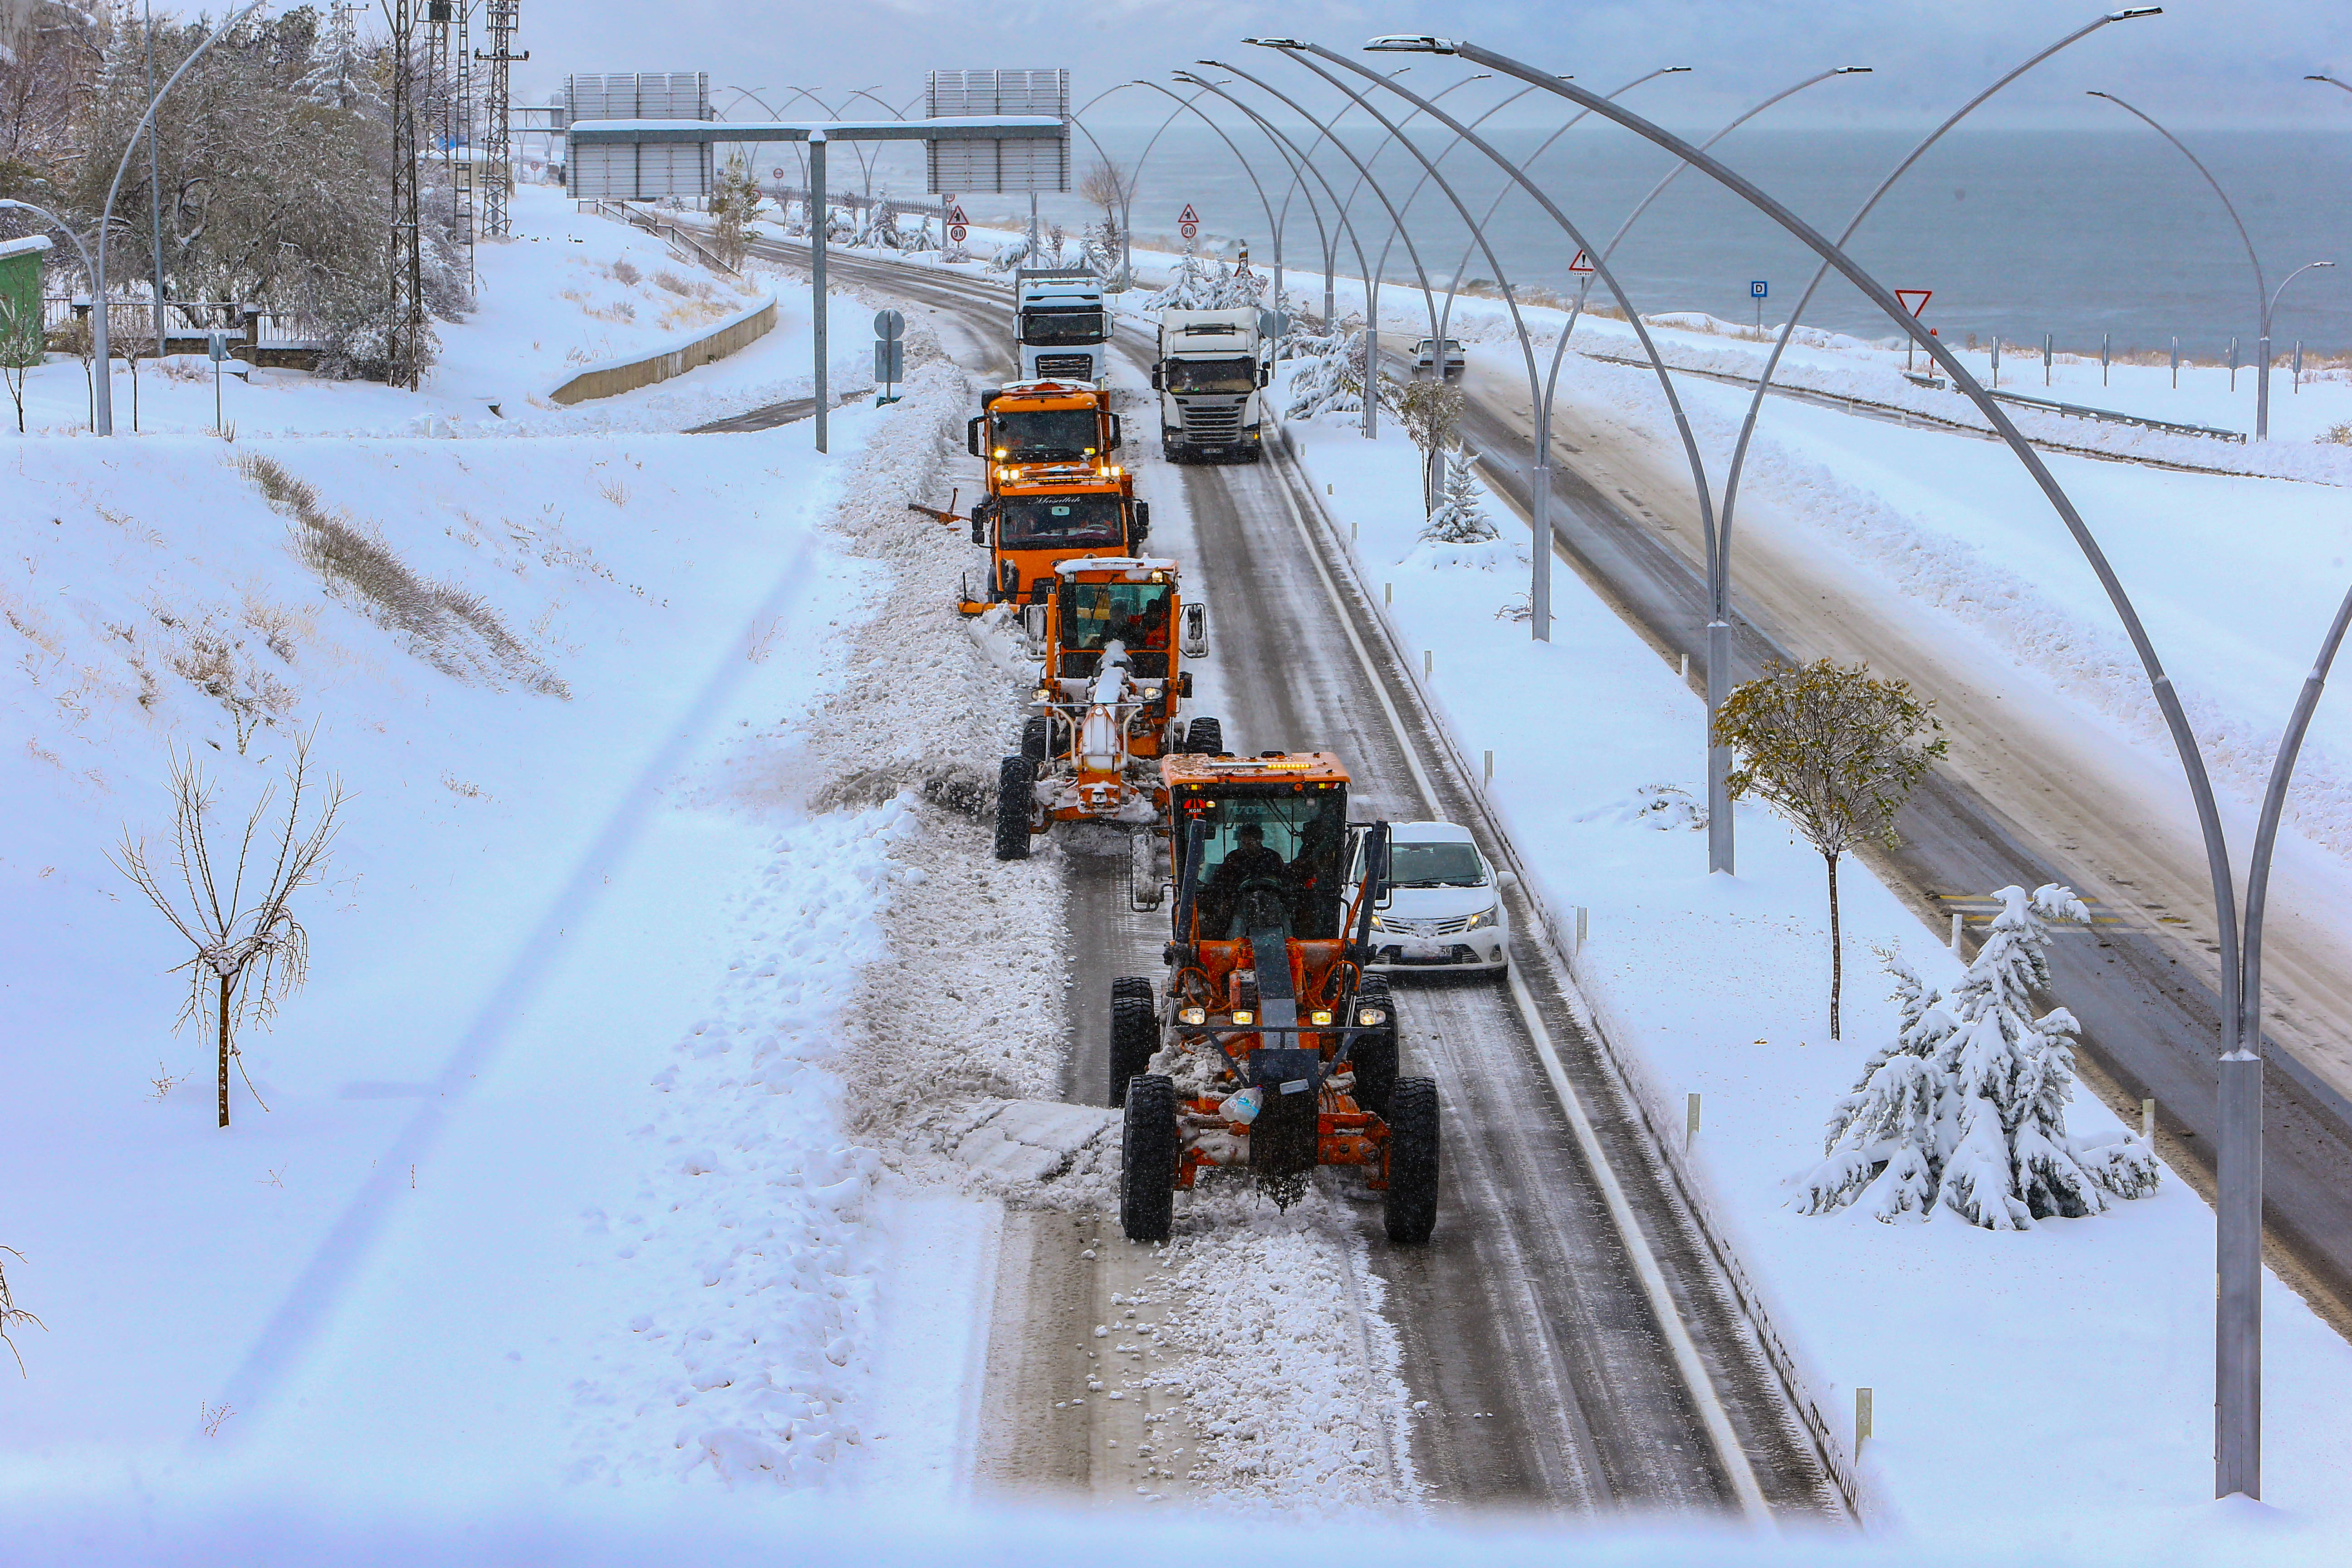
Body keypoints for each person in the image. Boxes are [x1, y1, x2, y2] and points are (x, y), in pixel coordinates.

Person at [1202, 823, 1289, 938]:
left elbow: (1285, 880)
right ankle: (1231, 940)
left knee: (1289, 913)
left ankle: (1289, 939)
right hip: (1239, 900)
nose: (1247, 847)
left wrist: (1276, 883)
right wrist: (1226, 900)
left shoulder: (1272, 858)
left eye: (1251, 843)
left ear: (1260, 841)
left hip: (1272, 900)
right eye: (1244, 843)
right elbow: (1222, 882)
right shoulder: (1234, 859)